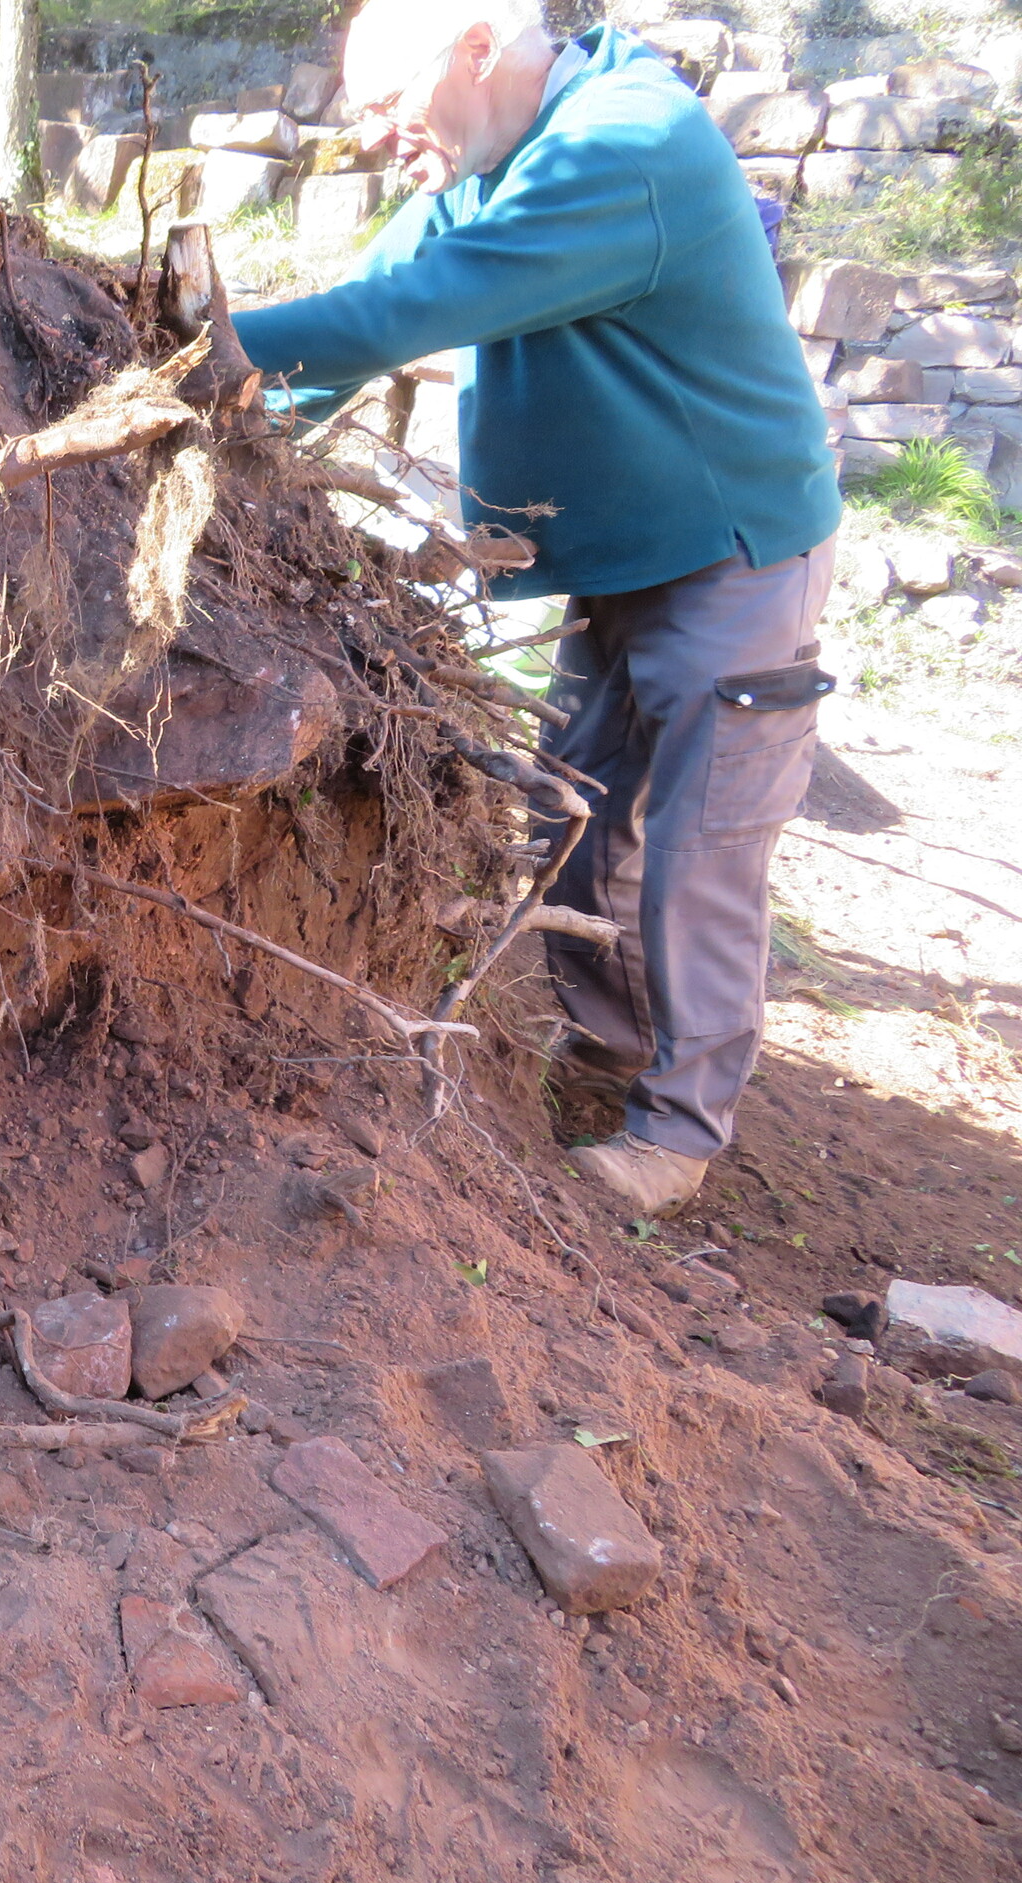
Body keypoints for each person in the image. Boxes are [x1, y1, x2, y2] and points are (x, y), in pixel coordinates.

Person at [234, 0, 842, 1220]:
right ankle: (611, 1054)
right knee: (580, 806)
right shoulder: (495, 151)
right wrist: (239, 428)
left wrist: (202, 348)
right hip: (623, 555)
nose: (381, 139)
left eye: (392, 109)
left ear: (477, 48)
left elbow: (414, 311)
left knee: (700, 847)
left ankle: (677, 1134)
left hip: (730, 553)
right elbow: (375, 296)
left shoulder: (625, 146)